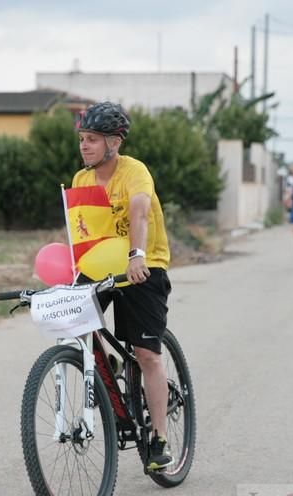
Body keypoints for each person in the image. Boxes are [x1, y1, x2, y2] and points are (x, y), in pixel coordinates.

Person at [72, 102, 174, 471]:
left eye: (93, 140)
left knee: (147, 354)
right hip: (101, 264)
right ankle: (109, 362)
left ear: (114, 142)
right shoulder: (83, 179)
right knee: (74, 322)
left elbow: (140, 211)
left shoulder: (134, 172)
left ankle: (159, 437)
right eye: (83, 139)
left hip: (144, 264)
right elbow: (81, 231)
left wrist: (137, 254)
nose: (85, 146)